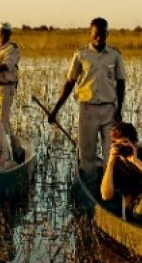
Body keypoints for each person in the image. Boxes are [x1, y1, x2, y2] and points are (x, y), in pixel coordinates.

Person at [49, 18, 126, 177]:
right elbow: (70, 83)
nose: (99, 39)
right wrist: (55, 110)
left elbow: (121, 83)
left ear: (108, 34)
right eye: (96, 35)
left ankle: (108, 191)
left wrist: (119, 109)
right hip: (87, 111)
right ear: (90, 34)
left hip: (109, 111)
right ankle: (89, 187)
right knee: (87, 156)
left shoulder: (115, 55)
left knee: (111, 154)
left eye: (103, 35)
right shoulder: (81, 55)